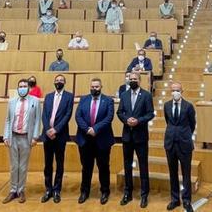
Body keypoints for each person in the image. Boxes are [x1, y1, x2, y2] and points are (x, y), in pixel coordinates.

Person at [117, 72, 155, 208]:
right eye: (130, 79)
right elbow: (119, 112)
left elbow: (150, 113)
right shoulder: (124, 95)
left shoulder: (146, 95)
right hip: (127, 136)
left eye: (135, 79)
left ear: (140, 81)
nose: (132, 80)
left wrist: (138, 121)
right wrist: (126, 120)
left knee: (143, 165)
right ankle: (128, 193)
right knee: (127, 166)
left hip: (140, 136)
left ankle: (144, 194)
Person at [75, 77, 114, 205]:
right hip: (85, 139)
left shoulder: (108, 100)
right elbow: (78, 116)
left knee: (103, 167)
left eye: (96, 87)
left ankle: (105, 191)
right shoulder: (84, 99)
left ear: (101, 87)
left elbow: (109, 117)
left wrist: (95, 129)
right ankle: (84, 191)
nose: (94, 89)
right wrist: (87, 129)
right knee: (86, 167)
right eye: (92, 86)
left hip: (102, 139)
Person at [2, 79, 42, 204]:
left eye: (25, 86)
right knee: (14, 166)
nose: (23, 88)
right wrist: (5, 136)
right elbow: (8, 119)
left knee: (23, 166)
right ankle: (13, 190)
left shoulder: (35, 101)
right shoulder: (12, 102)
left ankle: (21, 190)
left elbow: (37, 120)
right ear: (18, 88)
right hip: (13, 137)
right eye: (20, 86)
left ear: (28, 88)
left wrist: (35, 137)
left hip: (26, 138)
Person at [39, 74, 74, 203]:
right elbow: (44, 115)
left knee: (59, 164)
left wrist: (56, 129)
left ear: (64, 83)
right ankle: (48, 189)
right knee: (47, 164)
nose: (59, 82)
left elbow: (67, 115)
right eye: (57, 80)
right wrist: (48, 129)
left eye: (61, 80)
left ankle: (57, 190)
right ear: (54, 82)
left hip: (60, 135)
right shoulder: (48, 96)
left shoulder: (69, 96)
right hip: (47, 135)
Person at [164, 81, 196, 212]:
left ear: (182, 91)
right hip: (170, 143)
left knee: (186, 173)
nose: (175, 92)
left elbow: (192, 124)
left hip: (184, 143)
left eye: (177, 90)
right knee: (172, 173)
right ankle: (175, 199)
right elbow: (168, 121)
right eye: (173, 90)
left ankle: (187, 200)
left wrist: (184, 135)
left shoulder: (188, 106)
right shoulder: (166, 105)